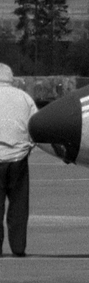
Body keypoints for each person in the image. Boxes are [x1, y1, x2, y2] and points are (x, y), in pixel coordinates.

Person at [0, 63, 38, 256]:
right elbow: (37, 125)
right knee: (18, 206)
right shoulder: (24, 97)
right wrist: (28, 146)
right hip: (18, 157)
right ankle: (18, 247)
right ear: (11, 78)